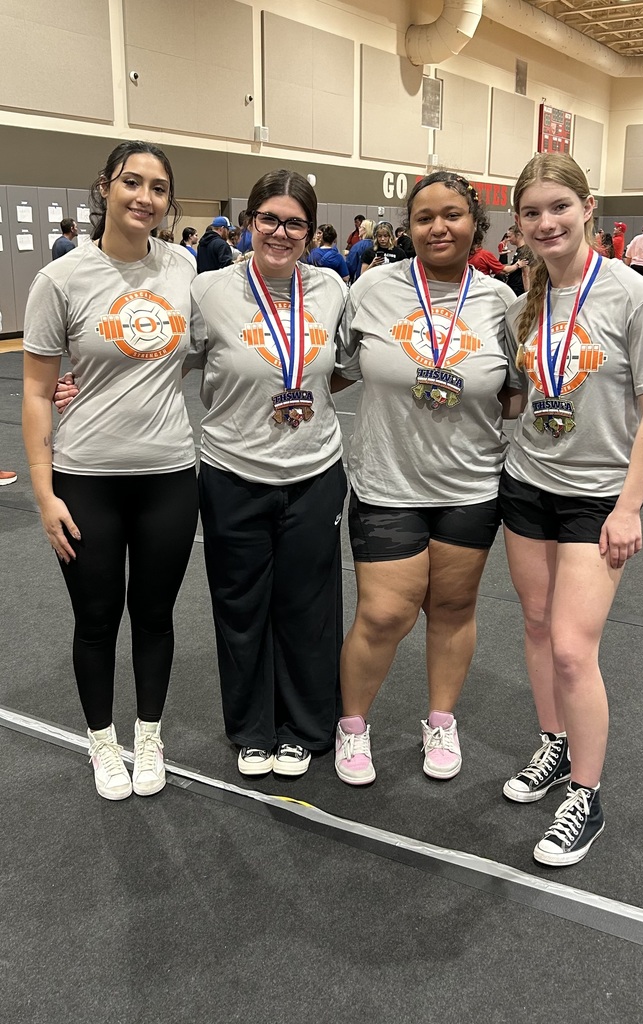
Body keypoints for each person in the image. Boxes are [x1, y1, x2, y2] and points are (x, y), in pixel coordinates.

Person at [499, 153, 643, 866]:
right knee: (539, 627)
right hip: (526, 485)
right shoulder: (525, 300)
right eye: (532, 212)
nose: (546, 223)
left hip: (598, 499)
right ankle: (553, 745)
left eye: (558, 207)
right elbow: (521, 395)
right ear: (517, 223)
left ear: (588, 207)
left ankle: (587, 792)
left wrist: (629, 508)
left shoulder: (636, 298)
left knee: (576, 650)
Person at [22, 141, 199, 802]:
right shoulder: (62, 279)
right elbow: (38, 392)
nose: (145, 197)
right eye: (132, 181)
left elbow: (193, 351)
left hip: (169, 476)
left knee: (155, 617)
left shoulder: (182, 266)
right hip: (86, 479)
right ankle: (103, 741)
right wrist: (43, 494)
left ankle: (148, 734)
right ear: (105, 187)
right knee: (96, 620)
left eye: (158, 187)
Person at [334, 171, 520, 786]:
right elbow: (327, 368)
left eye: (452, 215)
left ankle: (440, 718)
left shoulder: (501, 302)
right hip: (388, 481)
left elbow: (519, 394)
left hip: (470, 485)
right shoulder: (371, 289)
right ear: (407, 226)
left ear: (475, 223)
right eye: (423, 217)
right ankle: (352, 726)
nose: (438, 227)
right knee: (384, 614)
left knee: (453, 607)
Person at [186, 170, 349, 779]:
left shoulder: (332, 288)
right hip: (232, 470)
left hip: (313, 471)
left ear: (310, 230)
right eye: (270, 219)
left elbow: (347, 365)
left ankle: (304, 727)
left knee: (308, 606)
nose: (281, 233)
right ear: (249, 220)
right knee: (240, 604)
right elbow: (163, 359)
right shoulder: (209, 291)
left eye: (295, 223)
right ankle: (252, 729)